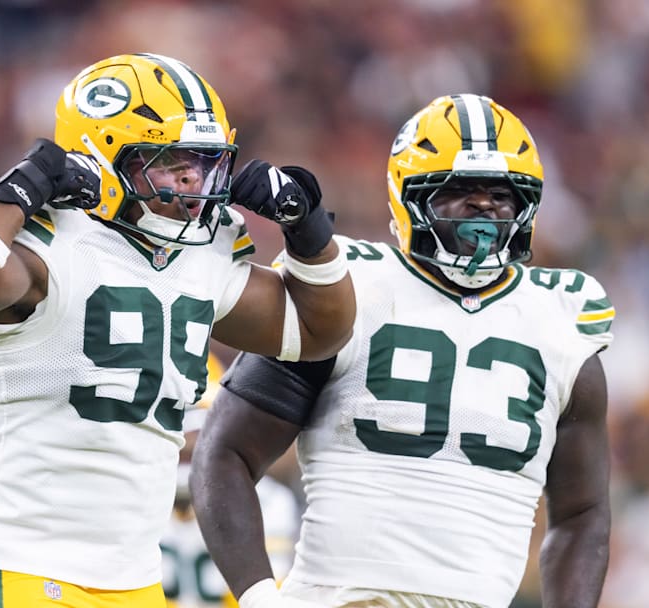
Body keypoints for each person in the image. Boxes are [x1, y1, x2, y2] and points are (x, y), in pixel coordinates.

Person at [0, 53, 355, 608]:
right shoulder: (44, 237)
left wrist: (307, 230)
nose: (193, 181)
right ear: (102, 157)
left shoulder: (201, 254)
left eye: (204, 163)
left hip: (135, 581)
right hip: (21, 568)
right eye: (170, 162)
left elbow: (317, 331)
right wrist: (20, 190)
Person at [191, 94, 614, 608]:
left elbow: (583, 513)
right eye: (459, 190)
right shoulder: (349, 292)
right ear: (408, 198)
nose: (484, 207)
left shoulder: (562, 320)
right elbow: (224, 453)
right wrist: (260, 598)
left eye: (503, 193)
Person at [159, 354, 300, 608]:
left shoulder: (267, 501)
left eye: (200, 419)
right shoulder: (132, 494)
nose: (190, 439)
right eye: (184, 417)